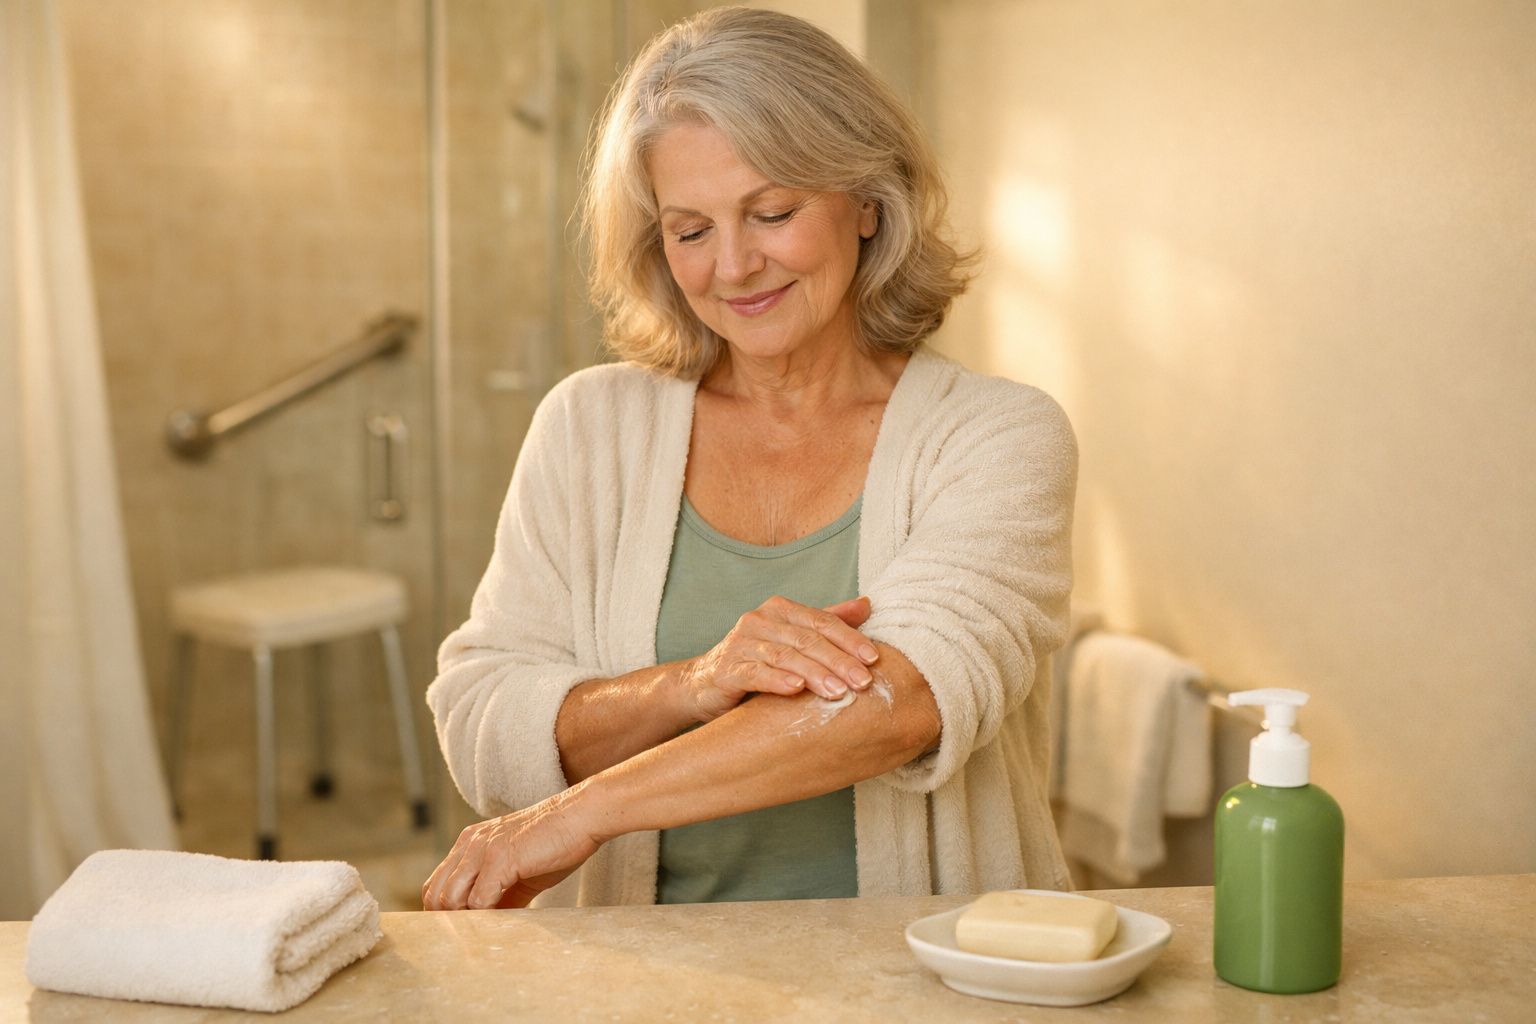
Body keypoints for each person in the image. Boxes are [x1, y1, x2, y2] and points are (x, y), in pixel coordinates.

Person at [421, 6, 1077, 912]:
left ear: (867, 205)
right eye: (691, 231)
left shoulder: (998, 436)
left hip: (928, 987)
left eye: (772, 212)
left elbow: (907, 702)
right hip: (643, 986)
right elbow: (481, 720)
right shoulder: (587, 429)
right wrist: (694, 684)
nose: (733, 266)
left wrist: (584, 813)